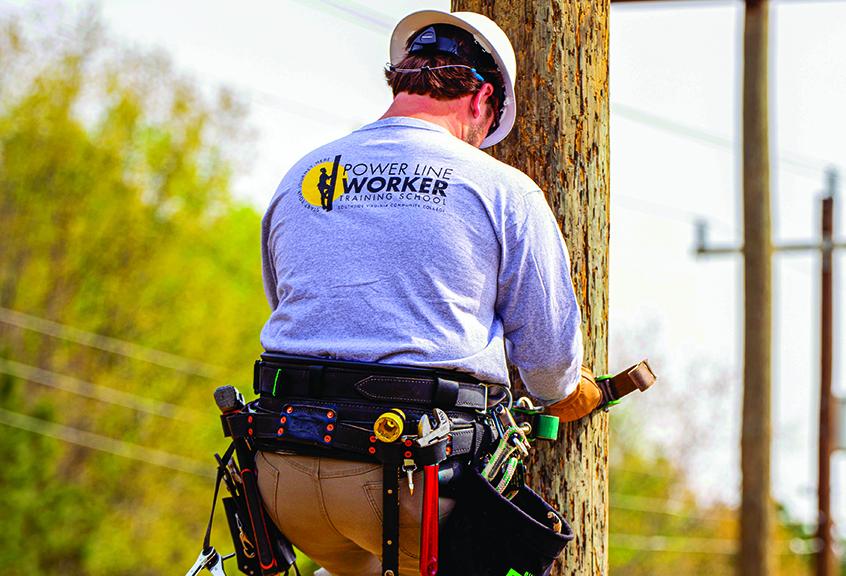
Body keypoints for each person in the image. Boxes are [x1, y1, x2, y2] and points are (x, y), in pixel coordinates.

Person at [253, 9, 603, 576]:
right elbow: (550, 369)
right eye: (487, 129)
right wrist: (568, 390)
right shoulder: (503, 190)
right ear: (481, 98)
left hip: (282, 474)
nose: (481, 141)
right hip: (413, 483)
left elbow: (300, 314)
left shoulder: (302, 175)